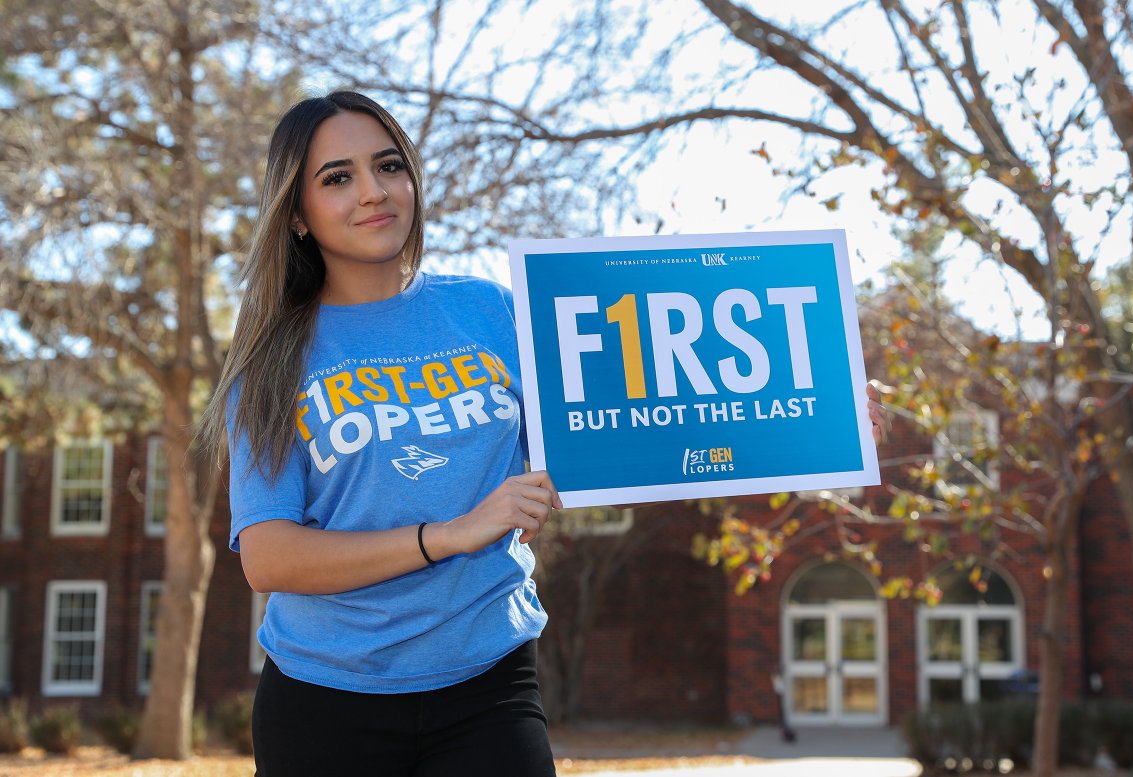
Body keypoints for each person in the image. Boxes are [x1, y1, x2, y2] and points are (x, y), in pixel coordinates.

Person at [200, 90, 890, 777]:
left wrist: (822, 408)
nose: (374, 192)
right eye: (338, 177)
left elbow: (650, 415)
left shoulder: (493, 311)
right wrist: (451, 533)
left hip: (488, 684)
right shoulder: (271, 361)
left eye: (389, 165)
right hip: (327, 703)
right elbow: (269, 557)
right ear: (296, 213)